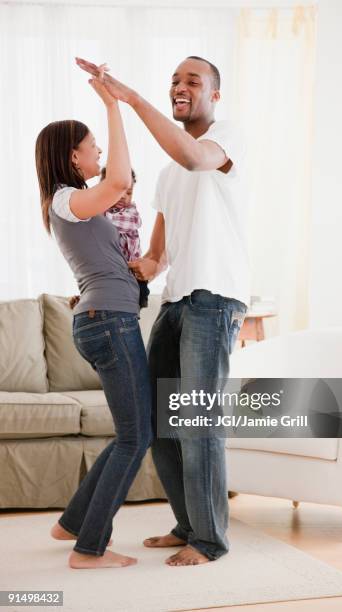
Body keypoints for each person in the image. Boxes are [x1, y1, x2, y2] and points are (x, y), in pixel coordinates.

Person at [76, 55, 250, 566]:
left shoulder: (226, 138)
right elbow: (162, 237)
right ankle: (187, 524)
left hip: (215, 297)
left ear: (214, 95)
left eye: (193, 81)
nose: (180, 86)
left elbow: (197, 158)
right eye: (174, 80)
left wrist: (129, 99)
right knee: (159, 423)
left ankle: (210, 541)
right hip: (177, 300)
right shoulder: (170, 167)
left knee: (198, 423)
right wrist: (145, 264)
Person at [35, 67, 152, 569]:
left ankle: (72, 523)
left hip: (106, 316)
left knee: (129, 433)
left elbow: (124, 223)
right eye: (92, 148)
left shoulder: (75, 205)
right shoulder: (67, 200)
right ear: (72, 156)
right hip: (109, 321)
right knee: (135, 437)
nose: (99, 156)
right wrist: (113, 104)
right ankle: (89, 550)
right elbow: (120, 179)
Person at [69, 166, 149, 310]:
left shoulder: (130, 212)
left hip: (133, 276)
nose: (124, 196)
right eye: (119, 191)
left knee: (133, 299)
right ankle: (85, 299)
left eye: (129, 192)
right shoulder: (100, 211)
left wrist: (94, 207)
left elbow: (114, 223)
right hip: (108, 276)